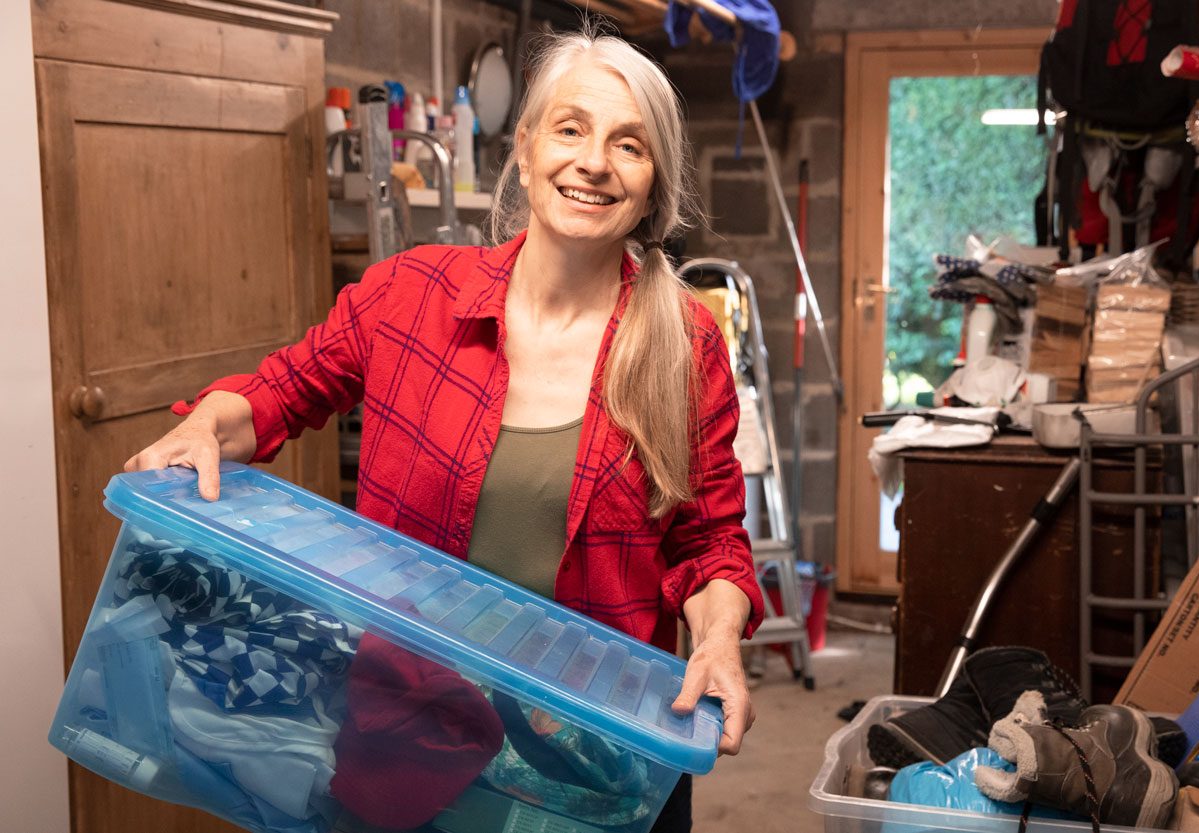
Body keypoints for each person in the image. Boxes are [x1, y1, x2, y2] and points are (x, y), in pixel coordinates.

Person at [125, 26, 763, 833]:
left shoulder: (684, 341)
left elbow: (709, 542)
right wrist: (205, 427)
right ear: (526, 150)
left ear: (653, 183)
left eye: (628, 145)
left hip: (594, 758)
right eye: (570, 128)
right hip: (410, 734)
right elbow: (276, 395)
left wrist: (717, 642)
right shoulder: (412, 295)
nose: (593, 161)